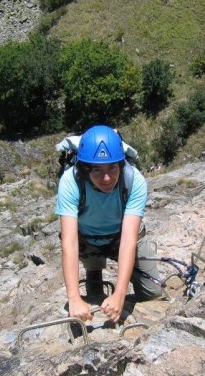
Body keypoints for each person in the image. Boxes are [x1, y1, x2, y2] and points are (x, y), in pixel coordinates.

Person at [55, 125, 162, 324]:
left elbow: (129, 240)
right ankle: (93, 271)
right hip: (87, 238)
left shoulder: (134, 181)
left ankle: (98, 273)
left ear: (121, 164)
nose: (106, 178)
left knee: (152, 292)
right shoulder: (70, 181)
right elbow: (69, 242)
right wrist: (74, 298)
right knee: (93, 293)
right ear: (85, 168)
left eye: (112, 168)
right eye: (97, 170)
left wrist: (120, 294)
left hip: (120, 236)